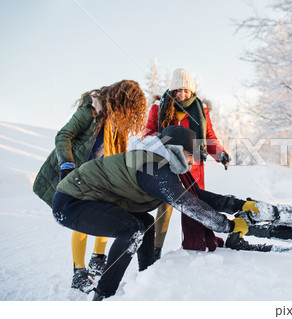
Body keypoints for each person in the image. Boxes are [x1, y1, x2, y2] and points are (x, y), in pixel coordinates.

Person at [51, 126, 256, 300]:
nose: (192, 162)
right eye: (189, 155)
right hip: (72, 202)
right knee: (131, 230)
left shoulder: (160, 163)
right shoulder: (153, 167)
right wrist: (227, 226)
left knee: (145, 223)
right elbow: (188, 204)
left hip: (88, 199)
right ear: (174, 149)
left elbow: (196, 195)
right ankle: (103, 297)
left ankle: (147, 280)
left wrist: (238, 205)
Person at [33, 80, 147, 291]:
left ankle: (98, 260)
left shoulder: (118, 126)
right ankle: (79, 272)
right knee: (83, 224)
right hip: (79, 177)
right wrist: (67, 166)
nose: (129, 113)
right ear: (119, 100)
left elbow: (120, 156)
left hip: (101, 179)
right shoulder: (92, 111)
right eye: (128, 107)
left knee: (108, 213)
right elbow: (63, 136)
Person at [144, 68, 231, 257]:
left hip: (193, 166)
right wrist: (166, 144)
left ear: (192, 91)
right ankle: (156, 249)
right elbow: (148, 134)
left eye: (186, 90)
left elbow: (208, 137)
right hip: (166, 163)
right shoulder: (159, 108)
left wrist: (220, 153)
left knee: (194, 205)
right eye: (178, 90)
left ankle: (194, 246)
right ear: (173, 90)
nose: (182, 94)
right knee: (164, 206)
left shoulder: (201, 110)